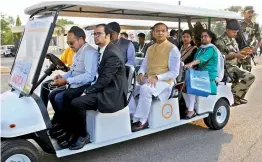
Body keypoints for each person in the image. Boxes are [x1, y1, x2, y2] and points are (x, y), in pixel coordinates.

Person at [59, 24, 128, 150]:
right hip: (103, 88)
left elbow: (104, 81)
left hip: (111, 93)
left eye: (99, 34)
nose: (95, 36)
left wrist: (87, 90)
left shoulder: (112, 53)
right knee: (69, 95)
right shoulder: (102, 50)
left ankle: (83, 135)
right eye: (94, 34)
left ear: (108, 35)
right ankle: (72, 130)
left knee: (77, 102)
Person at [130, 23, 181, 132]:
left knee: (145, 89)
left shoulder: (173, 49)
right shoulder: (150, 48)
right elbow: (144, 65)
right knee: (129, 87)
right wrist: (140, 74)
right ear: (153, 33)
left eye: (163, 31)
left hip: (165, 82)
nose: (160, 33)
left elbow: (174, 73)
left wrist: (158, 77)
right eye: (157, 31)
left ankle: (143, 121)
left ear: (167, 33)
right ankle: (134, 116)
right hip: (150, 79)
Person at [48, 26, 98, 137]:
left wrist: (66, 80)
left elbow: (89, 76)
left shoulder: (90, 52)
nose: (70, 46)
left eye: (71, 42)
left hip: (87, 85)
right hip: (76, 82)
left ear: (81, 39)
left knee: (64, 97)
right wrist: (62, 76)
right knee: (52, 95)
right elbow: (73, 71)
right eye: (68, 43)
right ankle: (62, 123)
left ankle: (71, 129)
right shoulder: (77, 52)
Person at [216, 19, 255, 105]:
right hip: (226, 68)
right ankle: (233, 96)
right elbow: (220, 58)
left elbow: (236, 52)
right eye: (234, 32)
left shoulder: (233, 39)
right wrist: (236, 55)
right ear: (227, 29)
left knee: (248, 77)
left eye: (236, 32)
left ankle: (237, 97)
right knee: (250, 77)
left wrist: (244, 53)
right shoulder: (220, 41)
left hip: (234, 66)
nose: (235, 34)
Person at [183, 29, 218, 119]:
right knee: (181, 86)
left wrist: (191, 64)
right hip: (200, 73)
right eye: (202, 36)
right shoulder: (201, 48)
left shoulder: (211, 48)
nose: (203, 38)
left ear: (210, 38)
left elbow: (202, 59)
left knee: (191, 85)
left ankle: (191, 110)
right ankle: (189, 107)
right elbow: (196, 59)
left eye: (206, 36)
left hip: (207, 75)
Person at [237, 6, 261, 72]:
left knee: (248, 74)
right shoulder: (238, 24)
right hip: (237, 51)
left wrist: (255, 48)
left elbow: (259, 39)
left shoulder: (255, 25)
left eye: (252, 12)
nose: (250, 14)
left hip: (247, 51)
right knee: (234, 75)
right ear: (244, 13)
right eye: (249, 12)